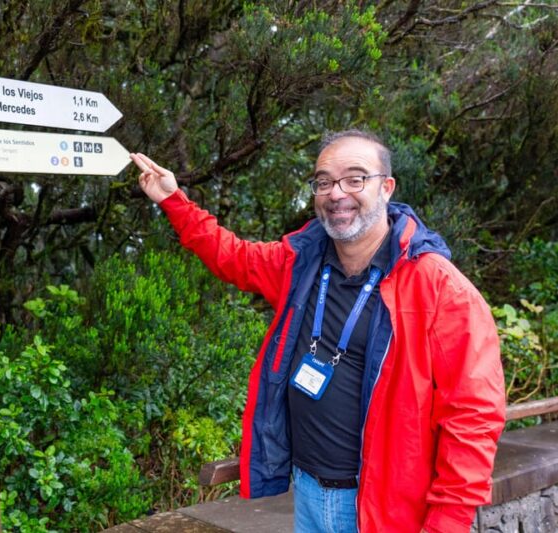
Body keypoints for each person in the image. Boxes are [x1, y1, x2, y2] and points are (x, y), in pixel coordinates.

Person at [130, 129, 506, 533]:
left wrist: (448, 521)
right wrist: (173, 200)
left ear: (387, 188)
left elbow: (474, 415)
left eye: (355, 178)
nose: (336, 192)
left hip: (382, 507)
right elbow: (234, 258)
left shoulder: (439, 287)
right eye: (323, 181)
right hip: (306, 493)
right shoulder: (302, 261)